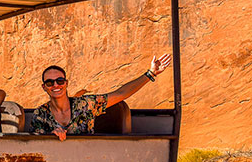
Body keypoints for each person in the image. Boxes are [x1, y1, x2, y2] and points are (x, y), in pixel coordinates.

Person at [29, 54, 172, 140]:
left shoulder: (86, 105)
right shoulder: (40, 114)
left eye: (59, 81)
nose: (55, 85)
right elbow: (39, 144)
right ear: (44, 87)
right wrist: (51, 136)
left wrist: (150, 74)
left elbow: (121, 94)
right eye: (49, 82)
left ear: (66, 83)